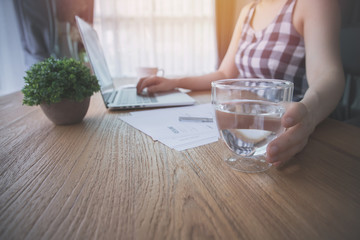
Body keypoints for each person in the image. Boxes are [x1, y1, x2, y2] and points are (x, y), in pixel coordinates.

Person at [136, 0, 345, 168]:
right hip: (239, 124)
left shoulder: (312, 4)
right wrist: (175, 82)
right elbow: (225, 73)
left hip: (280, 127)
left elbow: (328, 74)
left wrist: (307, 116)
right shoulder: (248, 11)